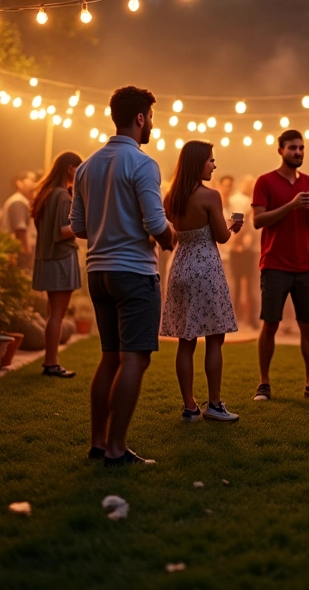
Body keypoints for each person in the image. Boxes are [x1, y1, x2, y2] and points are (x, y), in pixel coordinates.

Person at [71, 86, 176, 467]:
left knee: (109, 358)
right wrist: (171, 238)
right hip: (133, 273)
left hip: (98, 272)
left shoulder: (87, 166)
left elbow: (79, 227)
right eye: (151, 116)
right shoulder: (143, 164)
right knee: (135, 359)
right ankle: (116, 449)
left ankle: (98, 442)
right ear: (140, 118)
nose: (152, 124)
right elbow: (155, 222)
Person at [161, 141, 242, 422]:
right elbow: (221, 237)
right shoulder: (210, 196)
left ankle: (189, 407)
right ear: (198, 164)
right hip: (205, 267)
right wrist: (232, 224)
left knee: (186, 340)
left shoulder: (170, 197)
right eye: (211, 160)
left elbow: (173, 234)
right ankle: (215, 405)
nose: (214, 165)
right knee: (215, 337)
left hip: (180, 265)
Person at [251, 129, 309, 401]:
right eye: (292, 148)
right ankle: (264, 383)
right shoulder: (265, 181)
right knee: (270, 324)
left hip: (305, 264)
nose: (298, 152)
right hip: (274, 263)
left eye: (301, 148)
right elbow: (258, 220)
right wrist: (291, 205)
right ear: (280, 150)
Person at [30, 151, 83, 378]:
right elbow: (63, 231)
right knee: (57, 314)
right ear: (70, 169)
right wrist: (84, 223)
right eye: (78, 170)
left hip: (49, 258)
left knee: (54, 312)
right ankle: (51, 363)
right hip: (61, 258)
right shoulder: (62, 196)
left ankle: (50, 361)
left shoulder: (47, 194)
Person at [228, 175, 259, 329]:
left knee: (250, 284)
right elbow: (235, 226)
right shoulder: (237, 200)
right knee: (237, 284)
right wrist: (237, 242)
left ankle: (250, 318)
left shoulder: (256, 201)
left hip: (250, 252)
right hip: (237, 250)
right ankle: (235, 317)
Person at [0, 169, 37, 270]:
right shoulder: (18, 202)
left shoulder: (21, 201)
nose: (34, 183)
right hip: (18, 253)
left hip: (17, 251)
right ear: (19, 183)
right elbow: (20, 230)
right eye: (31, 179)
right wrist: (27, 253)